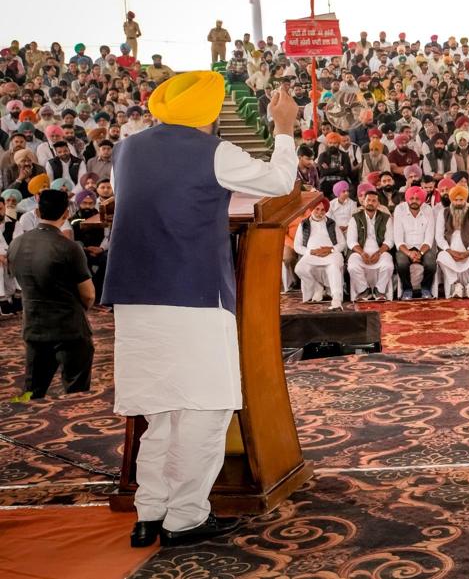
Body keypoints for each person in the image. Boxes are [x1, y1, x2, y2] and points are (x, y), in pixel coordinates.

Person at [102, 73, 298, 547]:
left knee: (159, 411)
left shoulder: (125, 151)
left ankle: (150, 511)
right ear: (210, 114)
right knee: (206, 408)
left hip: (135, 299)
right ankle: (185, 517)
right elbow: (280, 181)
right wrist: (284, 126)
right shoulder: (214, 153)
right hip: (193, 296)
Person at [8, 189, 94, 403]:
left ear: (37, 212)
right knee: (76, 394)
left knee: (33, 390)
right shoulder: (68, 247)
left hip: (34, 324)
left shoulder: (16, 244)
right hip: (69, 328)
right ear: (66, 214)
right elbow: (89, 294)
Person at [293, 198, 345, 309]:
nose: (319, 212)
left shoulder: (331, 223)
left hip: (331, 254)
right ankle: (318, 287)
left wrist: (331, 250)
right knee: (299, 269)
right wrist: (310, 251)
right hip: (312, 255)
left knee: (333, 267)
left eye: (322, 210)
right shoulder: (304, 224)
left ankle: (336, 299)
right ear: (312, 209)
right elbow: (297, 246)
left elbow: (342, 243)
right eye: (317, 209)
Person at [435, 183, 469, 298]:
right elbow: (439, 236)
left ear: (465, 200)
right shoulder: (443, 213)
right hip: (450, 250)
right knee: (441, 256)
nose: (458, 203)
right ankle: (456, 284)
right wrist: (449, 251)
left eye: (461, 200)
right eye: (456, 200)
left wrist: (468, 252)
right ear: (451, 200)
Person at [346, 184, 394, 301]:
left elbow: (389, 240)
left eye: (374, 201)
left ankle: (379, 291)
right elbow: (351, 241)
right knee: (352, 266)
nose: (371, 203)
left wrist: (379, 253)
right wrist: (362, 253)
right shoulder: (355, 218)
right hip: (360, 251)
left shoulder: (386, 218)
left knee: (388, 265)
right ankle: (364, 290)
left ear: (378, 204)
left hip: (380, 251)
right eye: (368, 200)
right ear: (363, 202)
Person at [392, 185, 436, 299]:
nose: (414, 201)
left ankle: (426, 288)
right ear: (407, 199)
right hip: (405, 247)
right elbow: (398, 240)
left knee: (431, 262)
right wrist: (409, 253)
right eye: (411, 198)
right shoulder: (399, 209)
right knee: (402, 263)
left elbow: (429, 239)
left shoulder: (428, 210)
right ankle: (407, 289)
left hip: (423, 247)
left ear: (422, 200)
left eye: (417, 198)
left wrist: (420, 253)